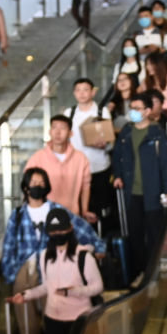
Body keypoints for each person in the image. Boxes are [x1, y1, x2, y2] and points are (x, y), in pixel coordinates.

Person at [2, 167, 105, 334]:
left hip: (52, 269)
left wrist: (97, 247)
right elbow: (9, 246)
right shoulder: (17, 215)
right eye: (33, 183)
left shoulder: (57, 211)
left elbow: (83, 229)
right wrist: (11, 275)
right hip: (24, 270)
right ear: (25, 187)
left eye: (42, 183)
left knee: (52, 320)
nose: (38, 186)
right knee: (27, 326)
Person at [111, 93, 167, 281]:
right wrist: (117, 175)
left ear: (148, 111)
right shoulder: (126, 132)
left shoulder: (157, 134)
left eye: (137, 108)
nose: (133, 112)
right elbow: (117, 156)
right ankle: (138, 274)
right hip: (131, 192)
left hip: (152, 193)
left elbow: (166, 164)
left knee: (154, 235)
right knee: (135, 235)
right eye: (131, 108)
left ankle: (152, 273)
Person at [23, 114, 92, 220]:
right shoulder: (37, 158)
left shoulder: (81, 158)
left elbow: (85, 186)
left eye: (63, 128)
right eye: (54, 127)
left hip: (71, 215)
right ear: (49, 132)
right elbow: (27, 185)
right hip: (43, 215)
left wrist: (85, 210)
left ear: (71, 133)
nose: (57, 132)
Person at [65, 78, 113, 224]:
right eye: (78, 90)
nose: (82, 93)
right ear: (74, 93)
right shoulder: (69, 113)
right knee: (78, 207)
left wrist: (104, 144)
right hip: (76, 168)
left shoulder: (102, 111)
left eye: (85, 90)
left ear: (92, 92)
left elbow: (110, 139)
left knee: (99, 206)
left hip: (99, 166)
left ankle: (101, 233)